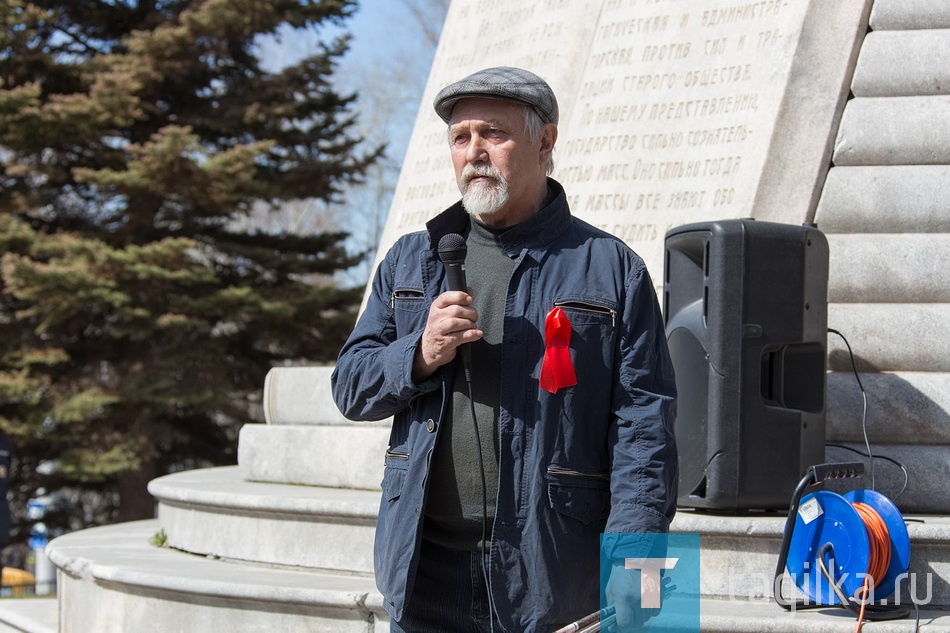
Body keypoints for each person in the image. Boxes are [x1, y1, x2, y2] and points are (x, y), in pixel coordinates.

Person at [331, 66, 677, 633]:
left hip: (556, 578)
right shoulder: (411, 260)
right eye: (460, 138)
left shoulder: (612, 269)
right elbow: (349, 385)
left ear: (545, 141)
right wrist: (416, 354)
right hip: (424, 574)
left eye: (494, 133)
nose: (474, 152)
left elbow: (646, 431)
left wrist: (639, 575)